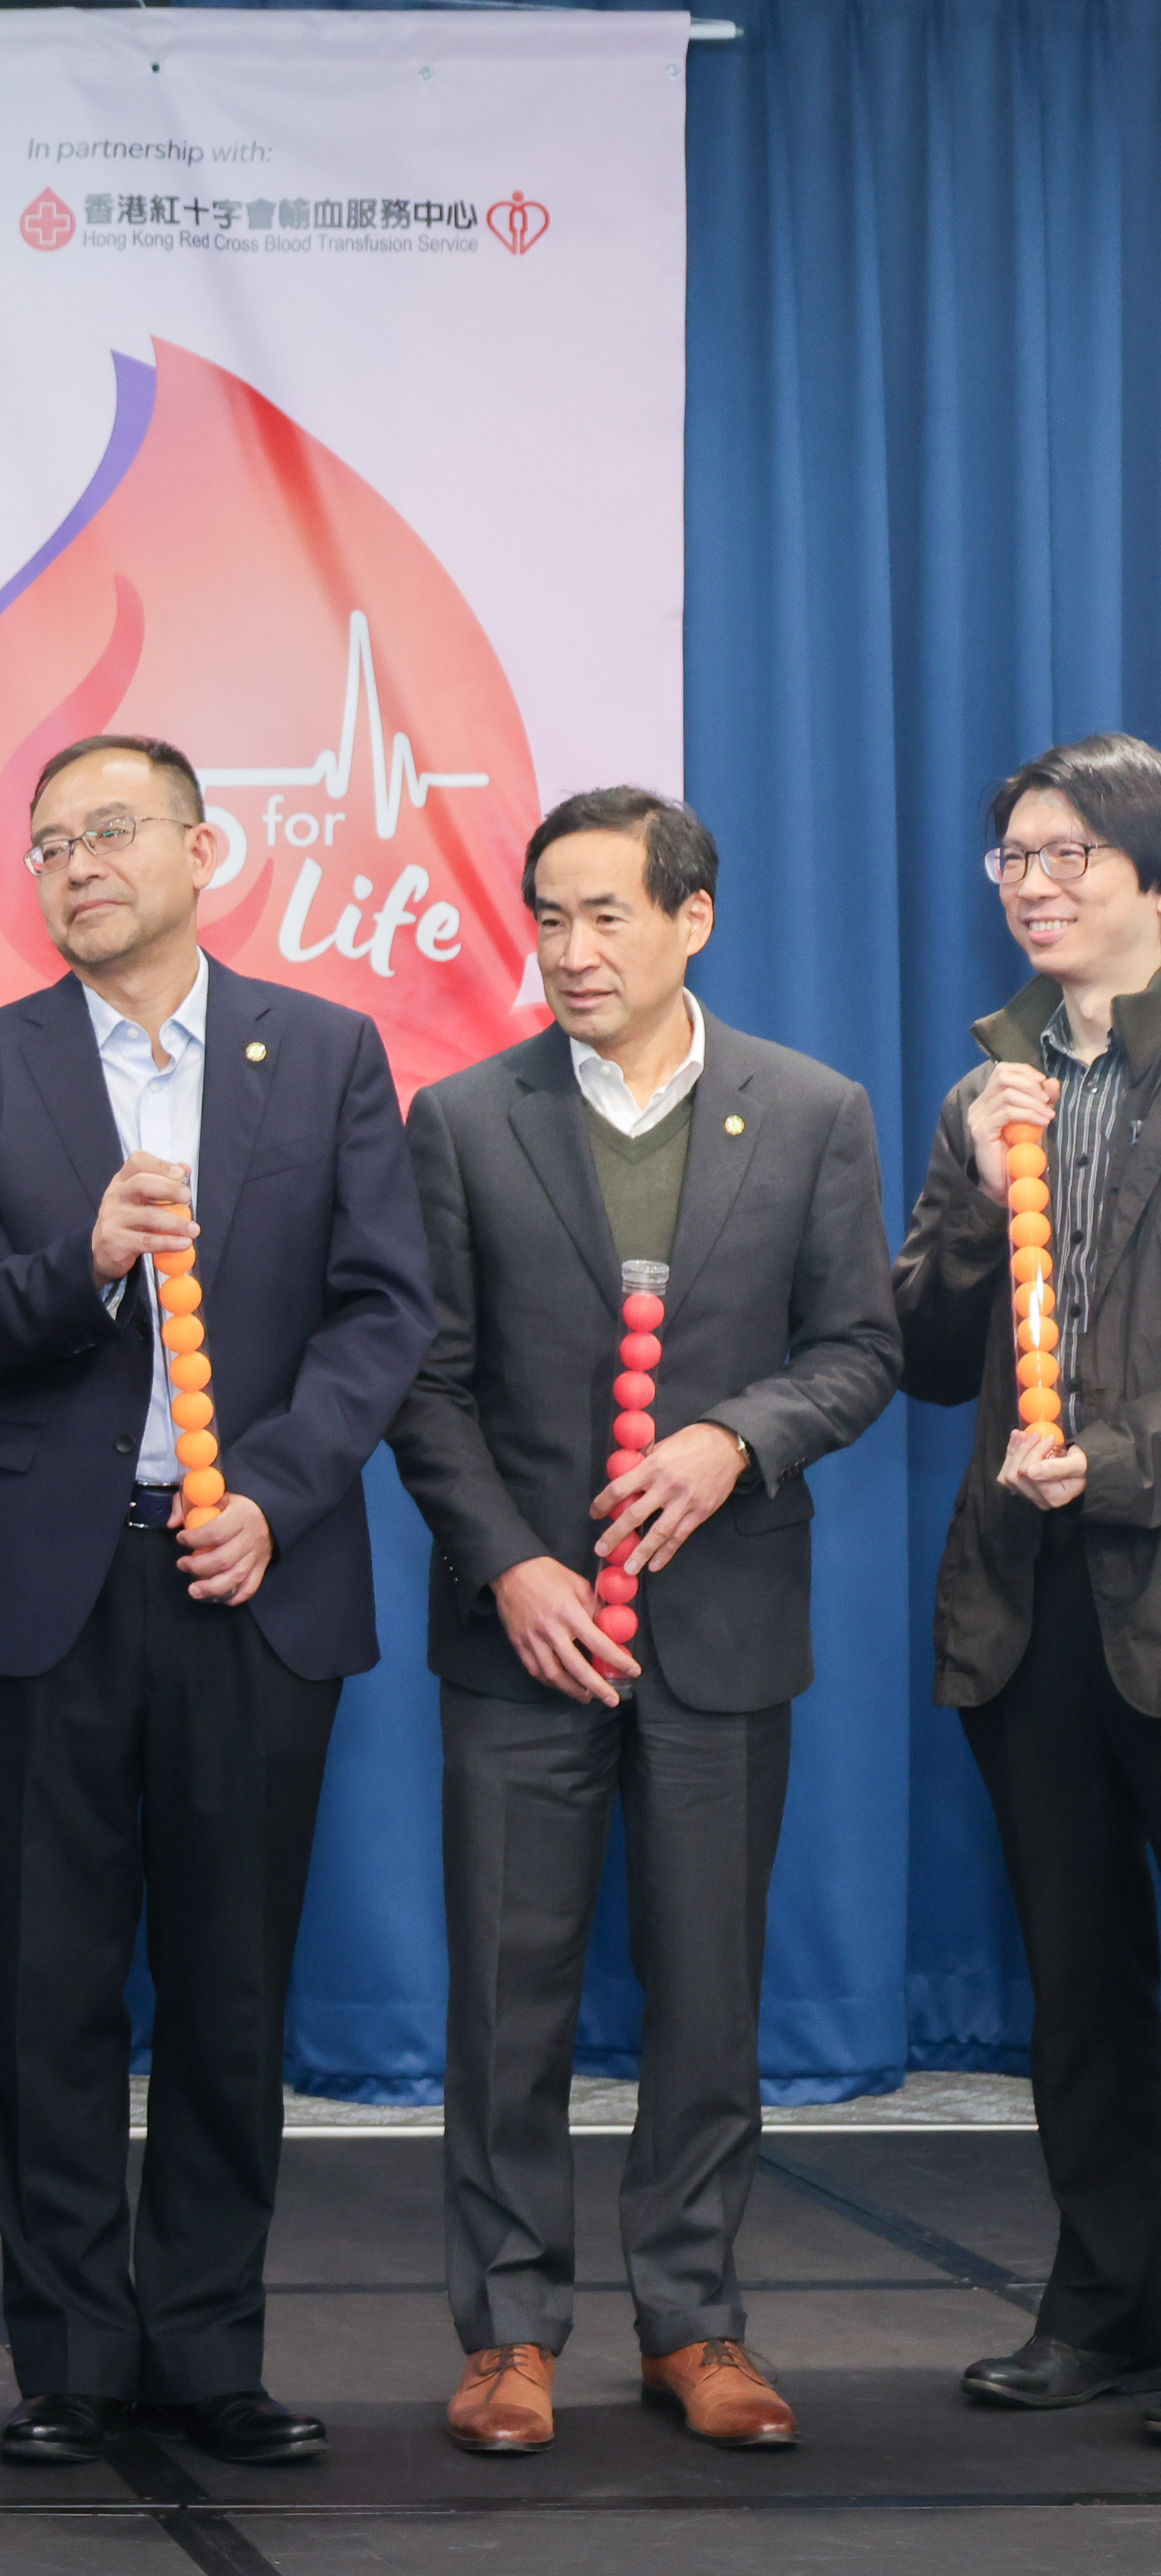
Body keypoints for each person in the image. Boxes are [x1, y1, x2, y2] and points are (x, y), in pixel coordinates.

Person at [0, 734, 433, 2472]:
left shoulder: (328, 1053)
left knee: (232, 1983)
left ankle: (212, 2342)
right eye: (49, 839)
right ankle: (69, 2350)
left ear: (205, 848)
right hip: (48, 1585)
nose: (77, 863)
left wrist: (279, 1500)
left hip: (254, 1580)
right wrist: (72, 1265)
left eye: (111, 832)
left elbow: (387, 1312)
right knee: (46, 1986)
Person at [387, 788, 897, 2457]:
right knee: (504, 1996)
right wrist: (509, 1564)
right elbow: (429, 1383)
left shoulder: (813, 1112)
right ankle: (509, 2334)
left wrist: (736, 1435)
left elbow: (861, 1349)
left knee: (708, 1991)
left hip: (722, 1628)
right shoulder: (462, 1117)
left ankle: (697, 2319)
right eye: (549, 915)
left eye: (609, 913)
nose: (574, 948)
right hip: (523, 1636)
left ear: (695, 919)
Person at [897, 733, 1161, 2442]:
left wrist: (1125, 1465)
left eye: (1071, 852)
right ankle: (1107, 2304)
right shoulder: (988, 1081)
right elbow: (920, 1347)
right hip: (1031, 1599)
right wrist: (986, 1213)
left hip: (1145, 1547)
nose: (1035, 881)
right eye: (1014, 857)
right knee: (1080, 1976)